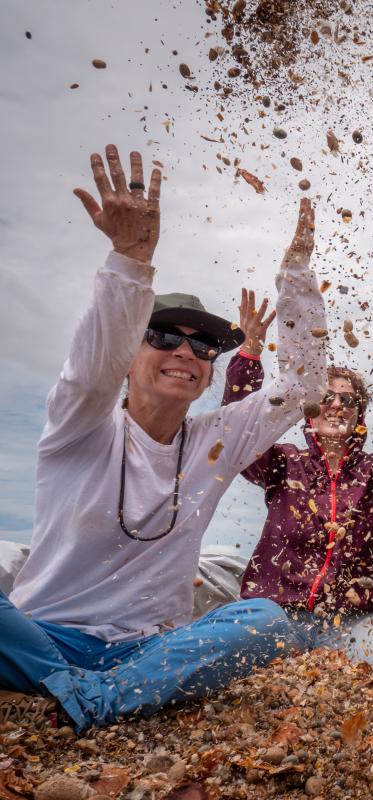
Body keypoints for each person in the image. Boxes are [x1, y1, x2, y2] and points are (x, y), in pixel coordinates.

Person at [0, 145, 327, 732]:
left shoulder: (215, 441)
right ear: (131, 353)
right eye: (163, 337)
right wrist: (131, 258)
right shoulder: (81, 423)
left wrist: (296, 275)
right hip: (45, 637)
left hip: (149, 649)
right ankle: (95, 693)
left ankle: (91, 698)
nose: (185, 353)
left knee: (263, 621)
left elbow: (303, 384)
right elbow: (92, 364)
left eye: (203, 347)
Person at [222, 292, 373, 687]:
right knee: (214, 662)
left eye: (348, 400)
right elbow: (239, 431)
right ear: (310, 409)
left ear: (359, 417)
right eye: (326, 397)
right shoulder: (284, 463)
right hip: (274, 616)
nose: (336, 405)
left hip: (350, 623)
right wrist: (249, 354)